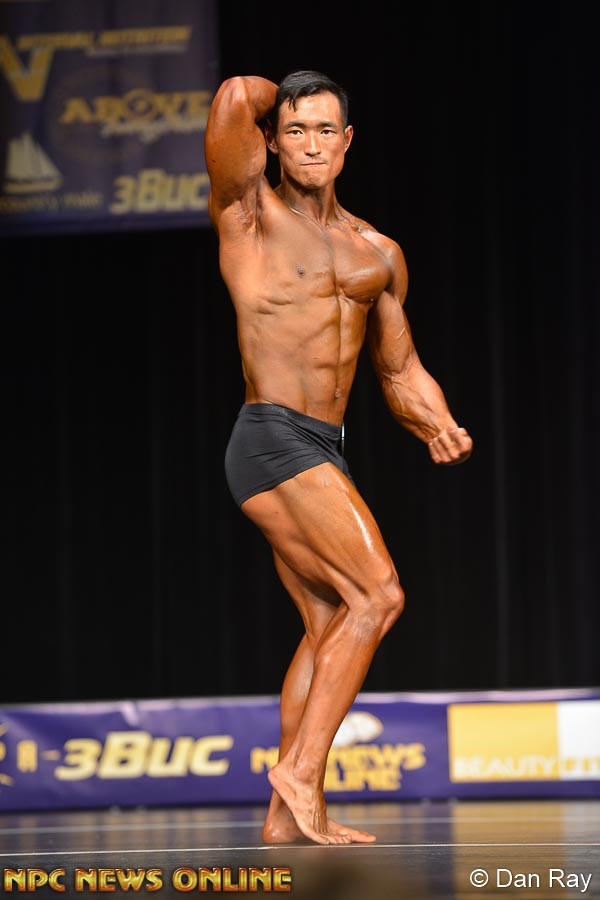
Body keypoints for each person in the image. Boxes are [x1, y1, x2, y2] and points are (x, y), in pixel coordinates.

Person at [204, 70, 473, 846]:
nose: (312, 145)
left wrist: (438, 421)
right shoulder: (248, 213)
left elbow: (399, 369)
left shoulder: (377, 252)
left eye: (326, 130)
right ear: (272, 142)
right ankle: (300, 773)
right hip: (271, 435)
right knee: (377, 596)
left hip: (324, 448)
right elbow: (233, 97)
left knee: (330, 623)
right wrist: (275, 93)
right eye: (295, 130)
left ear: (348, 142)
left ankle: (283, 820)